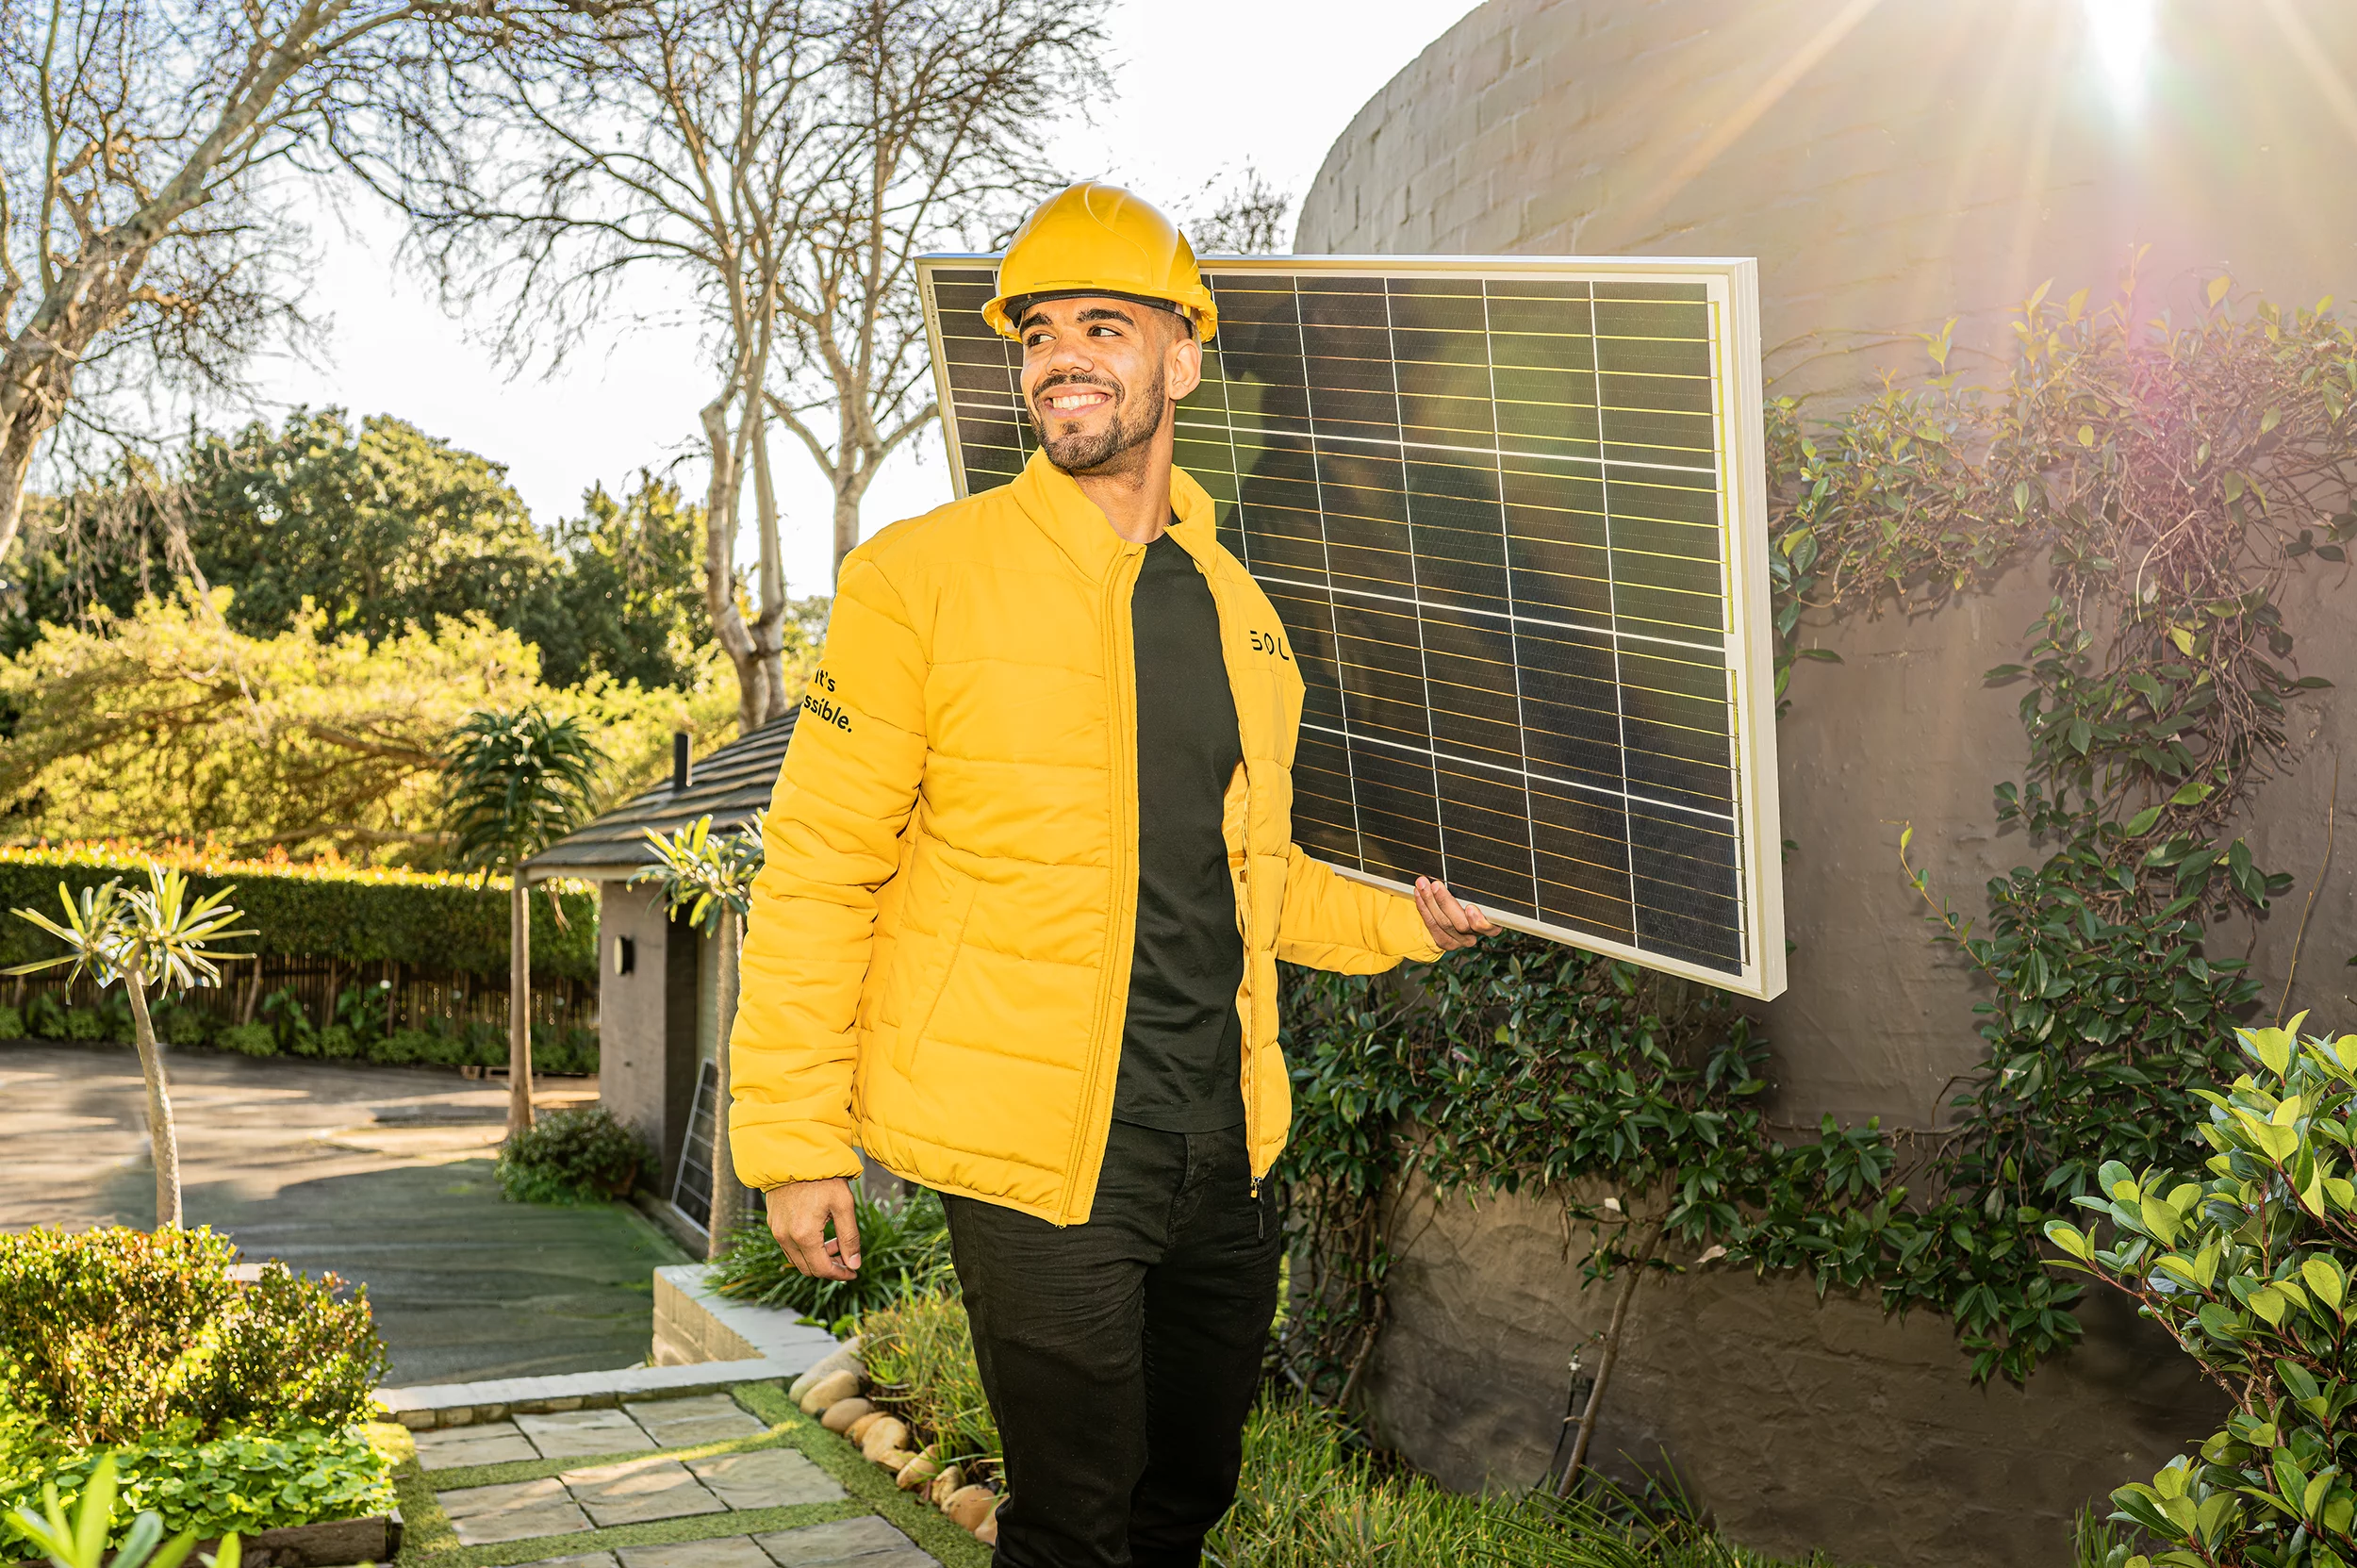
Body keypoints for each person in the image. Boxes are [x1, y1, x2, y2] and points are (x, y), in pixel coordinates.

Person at [729, 181, 1498, 1568]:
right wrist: (793, 1141)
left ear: (1183, 357)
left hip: (1223, 1146)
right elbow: (818, 870)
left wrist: (1415, 925)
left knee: (1183, 1498)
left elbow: (1255, 883)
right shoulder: (917, 580)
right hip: (1035, 1158)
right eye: (1036, 333)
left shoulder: (1245, 615)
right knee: (1074, 1526)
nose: (1059, 356)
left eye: (1102, 323)